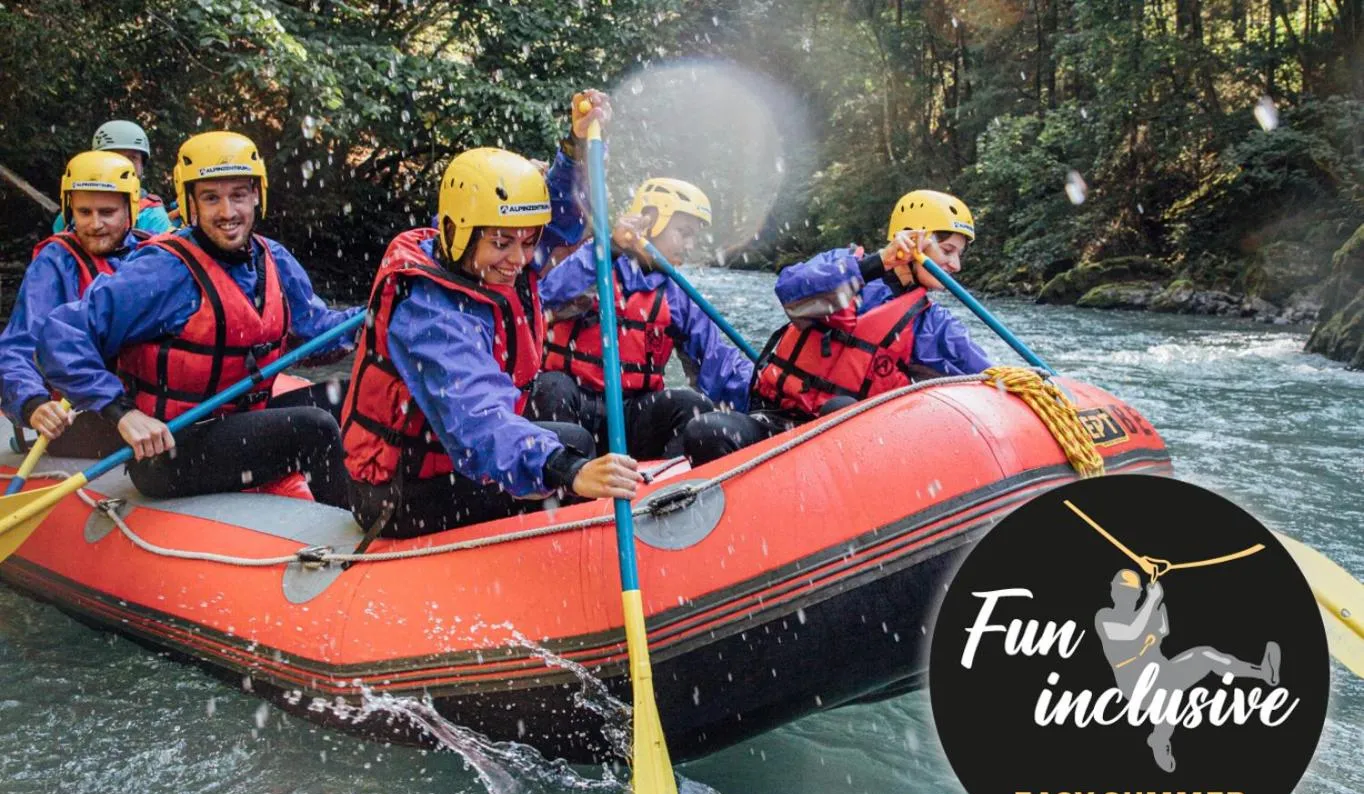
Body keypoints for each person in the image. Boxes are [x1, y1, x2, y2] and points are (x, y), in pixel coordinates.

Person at [341, 91, 643, 539]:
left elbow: (557, 213)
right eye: (502, 243)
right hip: (395, 493)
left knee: (568, 426)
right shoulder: (428, 314)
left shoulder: (490, 255)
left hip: (444, 458)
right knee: (568, 454)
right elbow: (478, 418)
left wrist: (576, 148)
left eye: (527, 242)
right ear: (458, 231)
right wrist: (565, 469)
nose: (519, 259)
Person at [37, 131, 360, 505]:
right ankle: (353, 527)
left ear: (257, 195)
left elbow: (318, 334)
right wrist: (121, 413)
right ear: (190, 201)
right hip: (170, 449)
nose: (227, 212)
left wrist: (379, 314)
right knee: (315, 428)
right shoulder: (163, 269)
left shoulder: (273, 259)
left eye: (238, 195)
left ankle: (379, 498)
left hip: (241, 422)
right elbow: (61, 336)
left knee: (351, 396)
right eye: (211, 198)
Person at [683, 189, 993, 466]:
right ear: (913, 240)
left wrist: (1015, 381)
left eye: (959, 255)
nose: (956, 265)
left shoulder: (931, 323)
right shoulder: (843, 263)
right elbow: (790, 288)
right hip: (778, 421)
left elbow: (986, 375)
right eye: (947, 251)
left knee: (840, 409)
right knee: (706, 430)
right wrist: (878, 263)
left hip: (852, 448)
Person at [530, 178, 752, 458]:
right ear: (652, 222)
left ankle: (669, 482)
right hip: (574, 406)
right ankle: (562, 474)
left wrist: (764, 390)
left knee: (691, 405)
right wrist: (609, 249)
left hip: (631, 415)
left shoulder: (677, 294)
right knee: (551, 386)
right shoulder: (595, 263)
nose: (690, 245)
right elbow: (545, 297)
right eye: (684, 233)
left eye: (694, 236)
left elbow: (716, 362)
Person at [1, 151, 146, 458]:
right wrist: (33, 404)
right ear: (70, 210)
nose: (95, 224)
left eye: (107, 212)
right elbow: (18, 346)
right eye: (84, 212)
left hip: (142, 402)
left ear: (129, 209)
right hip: (79, 413)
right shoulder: (55, 263)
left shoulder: (152, 254)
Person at [1096, 569, 1281, 773]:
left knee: (1205, 655)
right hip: (1136, 685)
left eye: (1131, 592)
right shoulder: (1104, 617)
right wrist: (1152, 600)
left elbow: (1161, 631)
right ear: (1113, 591)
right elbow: (1131, 632)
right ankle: (1160, 740)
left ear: (1137, 594)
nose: (1126, 596)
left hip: (1162, 670)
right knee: (1168, 691)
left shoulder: (1144, 615)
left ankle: (1262, 672)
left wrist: (1157, 613)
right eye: (1123, 591)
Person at [52, 120, 176, 235]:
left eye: (132, 158)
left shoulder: (153, 215)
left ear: (142, 166)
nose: (123, 165)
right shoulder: (72, 212)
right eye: (113, 157)